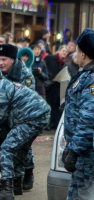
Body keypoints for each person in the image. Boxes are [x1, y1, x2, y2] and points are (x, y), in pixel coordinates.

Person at [0, 65, 50, 200]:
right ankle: (16, 184)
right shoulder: (5, 84)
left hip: (31, 118)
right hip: (40, 115)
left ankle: (7, 189)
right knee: (20, 149)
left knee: (7, 148)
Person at [0, 44, 36, 194]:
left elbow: (27, 100)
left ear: (12, 59)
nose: (1, 63)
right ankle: (11, 179)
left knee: (23, 146)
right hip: (4, 112)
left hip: (23, 116)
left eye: (4, 60)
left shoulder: (25, 75)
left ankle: (28, 171)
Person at [62, 28, 94, 200]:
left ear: (83, 54)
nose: (74, 53)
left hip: (87, 153)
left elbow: (89, 118)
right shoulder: (86, 75)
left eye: (78, 50)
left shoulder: (92, 79)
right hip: (82, 150)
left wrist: (74, 150)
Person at [44, 45, 68, 130]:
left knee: (56, 105)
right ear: (58, 51)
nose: (64, 53)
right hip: (49, 85)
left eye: (66, 52)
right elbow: (44, 67)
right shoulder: (50, 58)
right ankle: (47, 123)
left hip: (58, 87)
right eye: (63, 51)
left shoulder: (65, 63)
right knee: (48, 104)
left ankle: (53, 123)